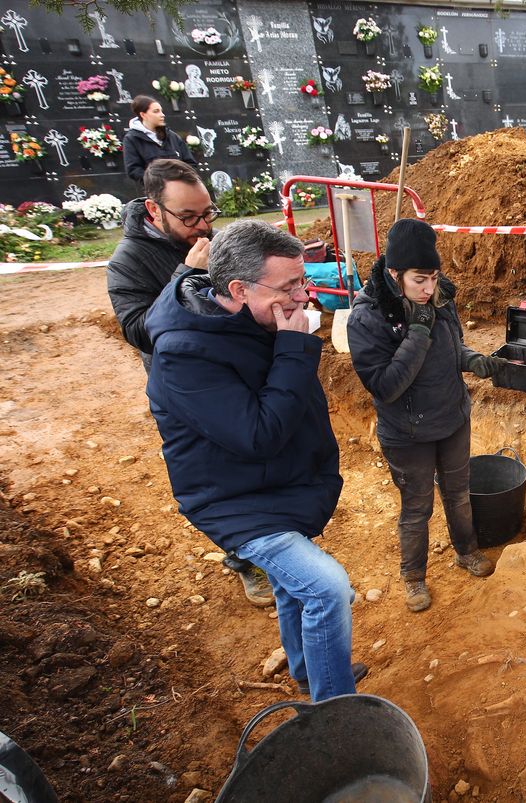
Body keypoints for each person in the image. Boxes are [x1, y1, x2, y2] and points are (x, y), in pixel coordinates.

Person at [144, 219, 366, 701]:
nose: (303, 297)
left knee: (293, 589)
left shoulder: (250, 319)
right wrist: (293, 348)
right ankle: (340, 709)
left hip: (280, 483)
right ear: (239, 288)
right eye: (288, 287)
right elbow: (258, 435)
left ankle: (309, 670)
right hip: (234, 499)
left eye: (301, 281)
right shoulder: (185, 354)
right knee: (327, 589)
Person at [105, 159, 273, 607]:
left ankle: (272, 538)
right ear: (153, 209)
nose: (203, 226)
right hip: (184, 385)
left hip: (234, 366)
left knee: (255, 451)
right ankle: (244, 559)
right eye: (189, 217)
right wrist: (185, 275)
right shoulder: (128, 262)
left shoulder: (210, 239)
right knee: (217, 470)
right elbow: (139, 329)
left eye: (207, 213)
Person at [347, 220, 505, 614]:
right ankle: (413, 576)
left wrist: (474, 361)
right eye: (420, 280)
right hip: (407, 432)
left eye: (434, 278)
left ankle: (466, 551)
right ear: (394, 273)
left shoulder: (438, 298)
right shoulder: (368, 318)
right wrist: (417, 333)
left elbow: (453, 348)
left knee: (458, 493)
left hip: (451, 417)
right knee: (417, 508)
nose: (429, 289)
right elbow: (385, 386)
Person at [122, 95, 197, 185]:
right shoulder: (132, 139)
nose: (162, 115)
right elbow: (133, 170)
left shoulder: (172, 136)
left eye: (161, 111)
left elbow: (190, 163)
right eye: (156, 111)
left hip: (182, 189)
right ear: (143, 114)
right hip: (157, 193)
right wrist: (160, 184)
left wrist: (181, 179)